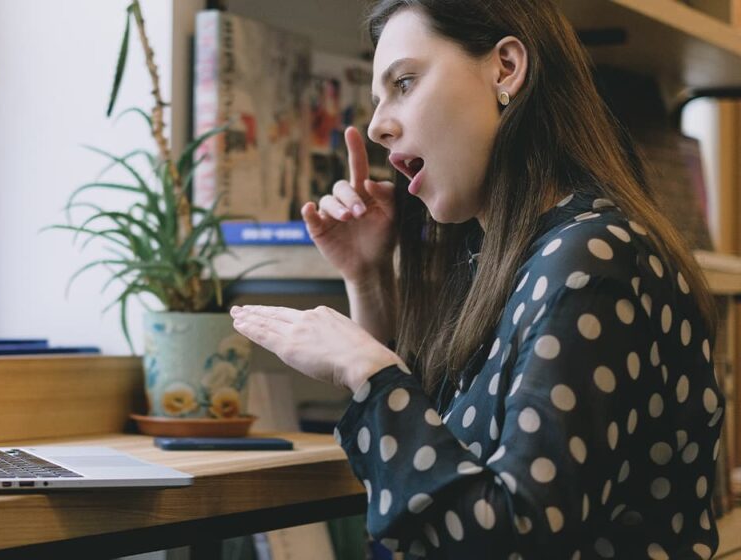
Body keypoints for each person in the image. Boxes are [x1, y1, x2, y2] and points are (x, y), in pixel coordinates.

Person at [229, 0, 726, 557]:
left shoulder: (593, 258)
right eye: (378, 99)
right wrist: (368, 280)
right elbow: (442, 469)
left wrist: (364, 368)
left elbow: (509, 540)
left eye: (406, 82)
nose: (377, 125)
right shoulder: (500, 260)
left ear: (506, 68)